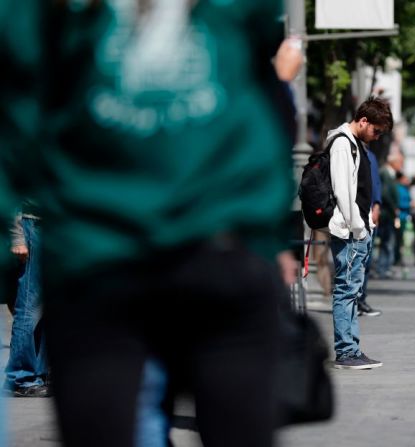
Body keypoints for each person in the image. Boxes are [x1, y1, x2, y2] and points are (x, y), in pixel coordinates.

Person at [1, 2, 297, 446]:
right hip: (100, 259)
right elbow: (14, 117)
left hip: (220, 250)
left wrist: (267, 236)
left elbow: (267, 96)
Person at [326, 97, 393, 370]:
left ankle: (352, 348)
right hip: (349, 232)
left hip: (357, 229)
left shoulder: (355, 145)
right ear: (363, 121)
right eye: (375, 131)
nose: (376, 137)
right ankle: (346, 351)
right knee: (346, 290)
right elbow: (343, 191)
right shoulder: (343, 144)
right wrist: (358, 228)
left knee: (352, 291)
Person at [5, 205, 49, 398]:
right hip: (31, 225)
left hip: (50, 224)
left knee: (45, 306)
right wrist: (17, 236)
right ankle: (20, 378)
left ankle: (39, 373)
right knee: (28, 306)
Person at [357, 146, 383, 317]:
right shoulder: (349, 149)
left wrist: (377, 205)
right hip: (356, 214)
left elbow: (376, 183)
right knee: (356, 262)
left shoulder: (370, 155)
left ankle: (361, 299)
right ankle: (355, 300)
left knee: (366, 261)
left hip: (369, 214)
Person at [375, 152, 402, 279]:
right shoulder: (385, 173)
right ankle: (382, 268)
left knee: (387, 242)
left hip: (388, 213)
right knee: (385, 242)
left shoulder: (390, 174)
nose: (401, 165)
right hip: (386, 213)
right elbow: (385, 193)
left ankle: (385, 267)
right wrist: (394, 207)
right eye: (400, 162)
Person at [394, 171, 412, 269]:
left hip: (404, 216)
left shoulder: (405, 189)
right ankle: (396, 257)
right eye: (405, 179)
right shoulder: (399, 189)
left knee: (401, 239)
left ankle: (399, 257)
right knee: (398, 238)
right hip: (399, 217)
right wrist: (409, 205)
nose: (407, 181)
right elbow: (399, 203)